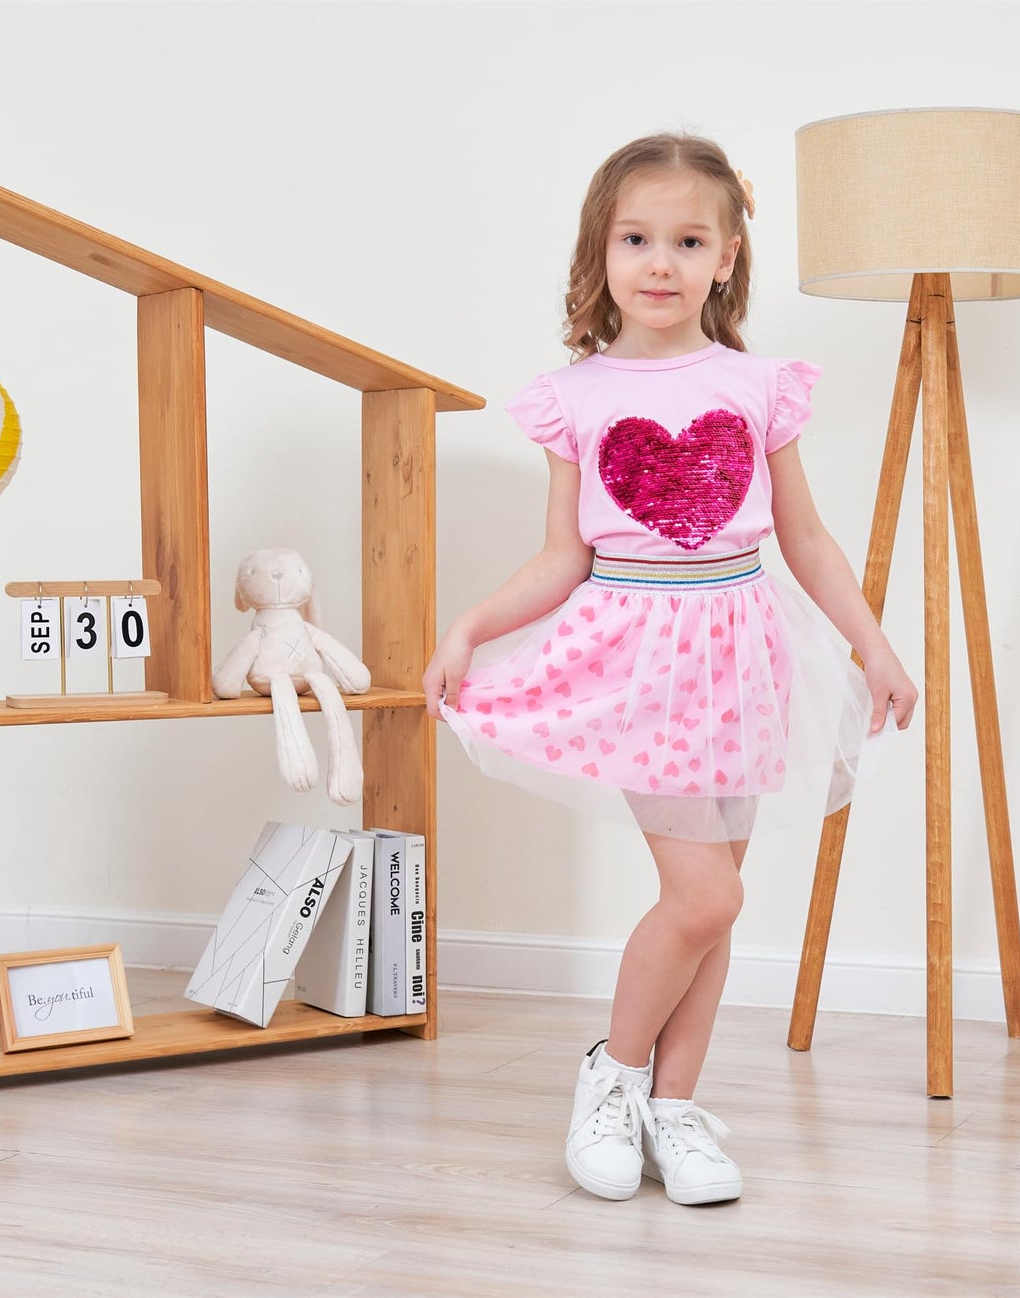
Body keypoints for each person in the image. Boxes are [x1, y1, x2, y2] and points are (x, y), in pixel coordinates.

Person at [422, 132, 916, 1206]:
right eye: (636, 239)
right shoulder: (576, 397)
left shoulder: (758, 384)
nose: (660, 262)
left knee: (716, 904)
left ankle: (673, 1109)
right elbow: (562, 555)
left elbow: (806, 538)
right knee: (705, 892)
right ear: (599, 252)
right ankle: (611, 1074)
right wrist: (469, 626)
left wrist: (872, 645)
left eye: (688, 241)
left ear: (727, 257)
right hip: (637, 659)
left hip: (744, 650)